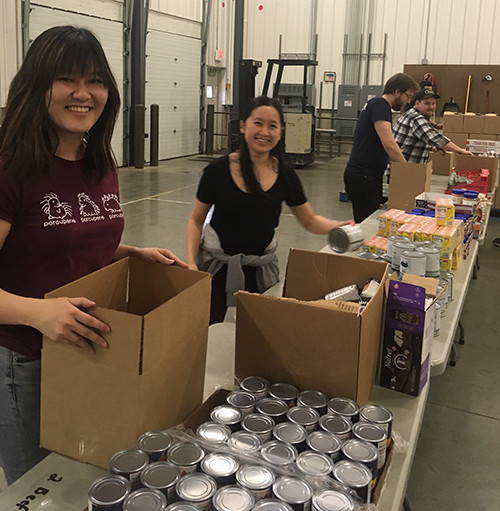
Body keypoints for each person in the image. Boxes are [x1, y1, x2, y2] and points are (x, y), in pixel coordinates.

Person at [0, 26, 187, 485]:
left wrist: (132, 252)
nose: (84, 93)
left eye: (96, 81)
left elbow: (71, 240)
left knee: (83, 475)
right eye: (67, 79)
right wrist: (38, 313)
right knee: (38, 487)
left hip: (87, 350)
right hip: (26, 361)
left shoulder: (99, 164)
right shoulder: (10, 168)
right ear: (37, 85)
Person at [186, 96, 354, 324]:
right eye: (258, 123)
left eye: (272, 125)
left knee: (257, 332)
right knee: (206, 327)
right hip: (215, 268)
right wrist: (191, 263)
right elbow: (196, 220)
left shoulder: (285, 174)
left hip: (260, 269)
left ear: (280, 132)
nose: (264, 132)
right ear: (243, 126)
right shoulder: (217, 171)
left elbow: (310, 220)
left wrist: (338, 226)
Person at [343, 73, 420, 223]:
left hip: (365, 175)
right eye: (408, 96)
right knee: (366, 224)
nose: (408, 101)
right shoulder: (380, 105)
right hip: (363, 176)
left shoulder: (376, 105)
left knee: (365, 222)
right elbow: (389, 144)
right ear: (397, 92)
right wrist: (408, 171)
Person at [393, 88, 473, 164]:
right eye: (427, 103)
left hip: (403, 168)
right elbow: (436, 138)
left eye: (433, 104)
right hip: (403, 170)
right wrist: (460, 151)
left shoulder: (411, 113)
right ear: (417, 103)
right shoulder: (416, 119)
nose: (431, 107)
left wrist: (432, 148)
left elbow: (413, 140)